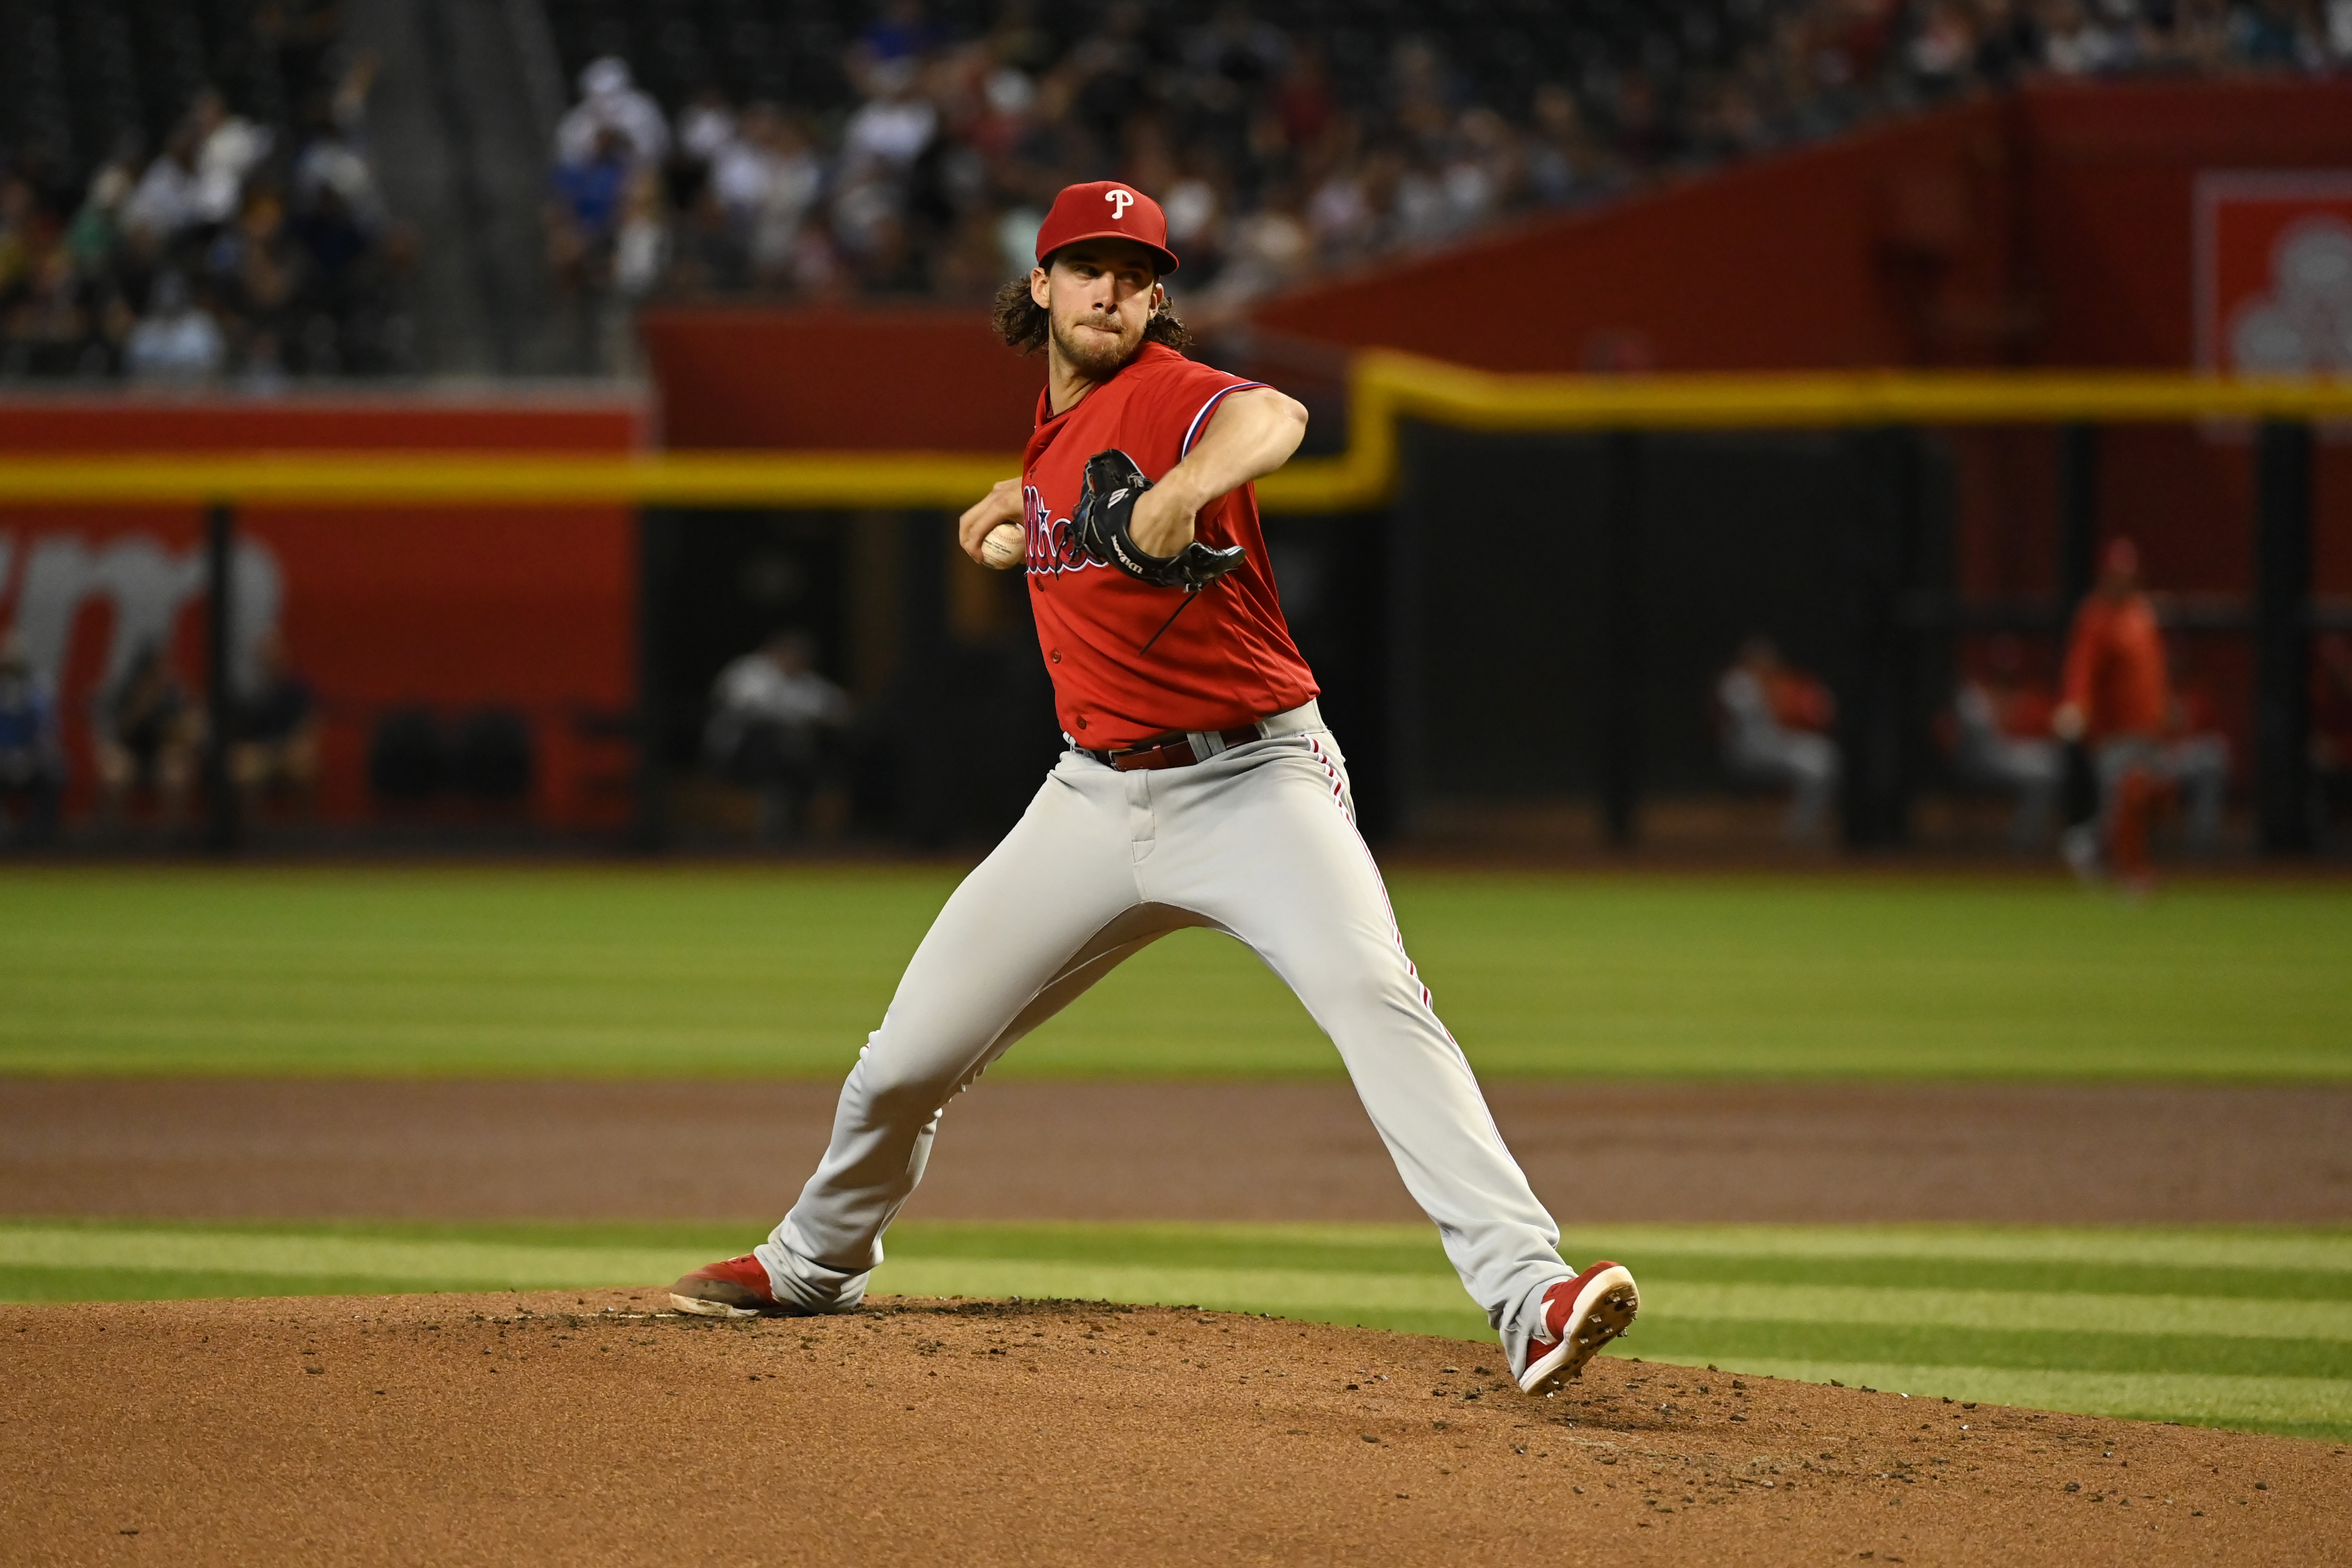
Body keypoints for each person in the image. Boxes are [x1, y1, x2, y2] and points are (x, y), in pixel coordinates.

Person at [669, 180, 1639, 1396]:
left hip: (1252, 783)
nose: (1111, 289)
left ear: (1158, 299)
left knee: (1375, 995)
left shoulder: (1166, 393)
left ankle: (1526, 1289)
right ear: (1041, 286)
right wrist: (999, 519)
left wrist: (1183, 492)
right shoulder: (1052, 426)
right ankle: (815, 1257)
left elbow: (1272, 415)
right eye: (1087, 266)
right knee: (903, 1062)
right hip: (1089, 800)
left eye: (1135, 273)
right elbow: (1050, 505)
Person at [2054, 537, 2219, 888]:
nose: (2122, 580)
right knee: (2129, 792)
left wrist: (2168, 705)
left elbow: (2154, 671)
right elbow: (2081, 668)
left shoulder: (2142, 612)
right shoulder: (2096, 616)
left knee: (2153, 797)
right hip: (2115, 730)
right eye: (2116, 573)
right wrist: (2076, 704)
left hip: (2151, 729)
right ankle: (2131, 871)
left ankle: (2088, 844)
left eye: (2127, 573)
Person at [703, 629, 853, 844]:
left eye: (801, 657)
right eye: (790, 654)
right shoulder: (748, 671)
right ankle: (771, 816)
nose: (795, 660)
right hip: (738, 753)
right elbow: (753, 707)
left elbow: (840, 708)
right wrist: (804, 716)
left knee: (823, 755)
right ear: (773, 651)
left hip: (792, 755)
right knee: (767, 739)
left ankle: (801, 823)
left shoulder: (805, 680)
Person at [1716, 636, 1841, 843]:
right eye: (1758, 659)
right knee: (1816, 763)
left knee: (1823, 757)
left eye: (1767, 659)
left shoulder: (1779, 682)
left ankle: (1801, 829)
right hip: (1747, 752)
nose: (1764, 664)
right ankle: (1799, 833)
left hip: (1776, 746)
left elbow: (1818, 710)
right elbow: (1761, 714)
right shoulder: (1737, 683)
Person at [1951, 635, 2062, 849]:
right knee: (2046, 770)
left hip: (2002, 756)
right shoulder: (1972, 696)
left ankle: (2026, 839)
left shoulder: (2021, 697)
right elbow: (1980, 745)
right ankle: (2024, 844)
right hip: (1977, 763)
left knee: (2050, 765)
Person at [93, 641, 199, 830]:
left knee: (176, 776)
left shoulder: (173, 694)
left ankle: (171, 837)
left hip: (162, 755)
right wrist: (142, 705)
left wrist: (177, 740)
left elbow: (186, 732)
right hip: (130, 755)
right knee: (115, 775)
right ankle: (117, 835)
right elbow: (118, 732)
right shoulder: (126, 691)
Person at [231, 629, 320, 818]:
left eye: (275, 654)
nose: (271, 659)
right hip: (260, 750)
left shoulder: (299, 687)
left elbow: (310, 722)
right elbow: (242, 729)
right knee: (242, 766)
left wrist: (296, 744)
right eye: (265, 655)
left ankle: (304, 830)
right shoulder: (253, 691)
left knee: (303, 762)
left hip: (289, 748)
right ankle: (257, 832)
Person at [0, 632, 64, 844]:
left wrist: (32, 758)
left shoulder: (34, 687)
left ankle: (38, 838)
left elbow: (46, 728)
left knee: (54, 773)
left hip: (29, 758)